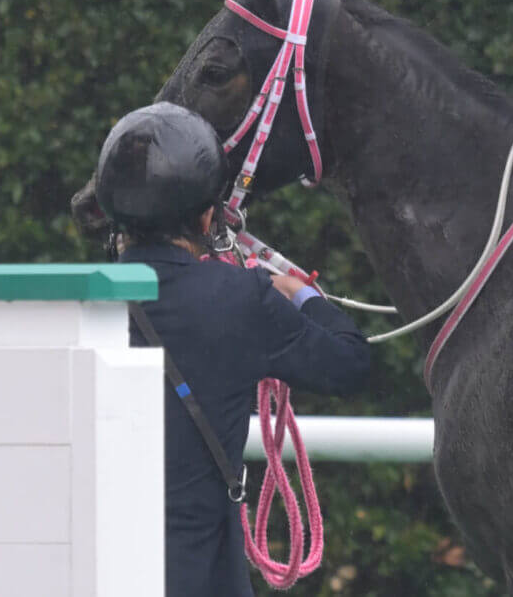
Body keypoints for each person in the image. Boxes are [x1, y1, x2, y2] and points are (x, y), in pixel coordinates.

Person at [95, 102, 373, 597]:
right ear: (207, 217)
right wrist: (297, 293)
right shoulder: (243, 298)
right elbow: (350, 365)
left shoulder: (76, 304)